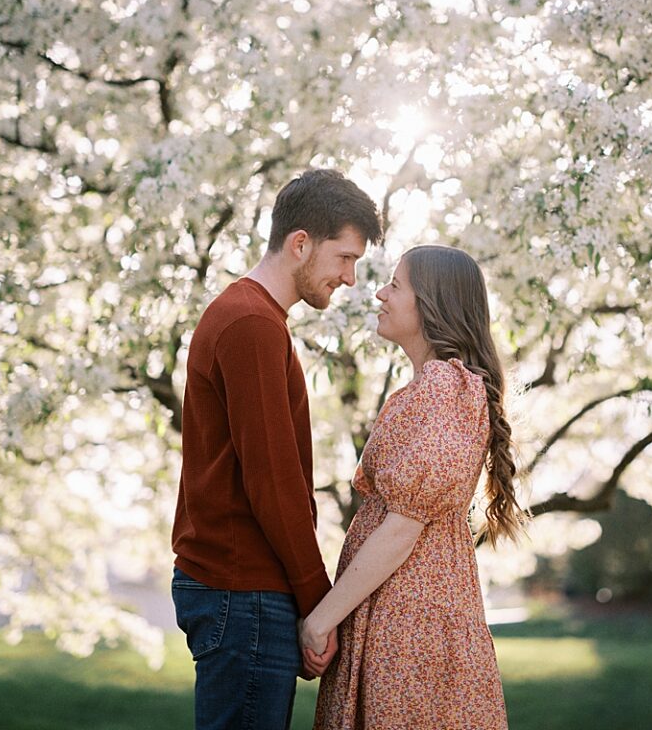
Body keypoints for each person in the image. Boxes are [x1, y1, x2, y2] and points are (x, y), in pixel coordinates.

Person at [171, 168, 383, 730]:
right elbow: (273, 482)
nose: (351, 278)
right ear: (300, 244)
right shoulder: (251, 324)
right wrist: (318, 604)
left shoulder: (255, 317)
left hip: (241, 589)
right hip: (242, 592)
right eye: (345, 257)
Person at [301, 244, 528, 730]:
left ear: (432, 304)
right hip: (401, 609)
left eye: (396, 285)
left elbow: (403, 526)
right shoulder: (433, 389)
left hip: (411, 619)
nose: (380, 293)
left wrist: (322, 618)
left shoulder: (446, 388)